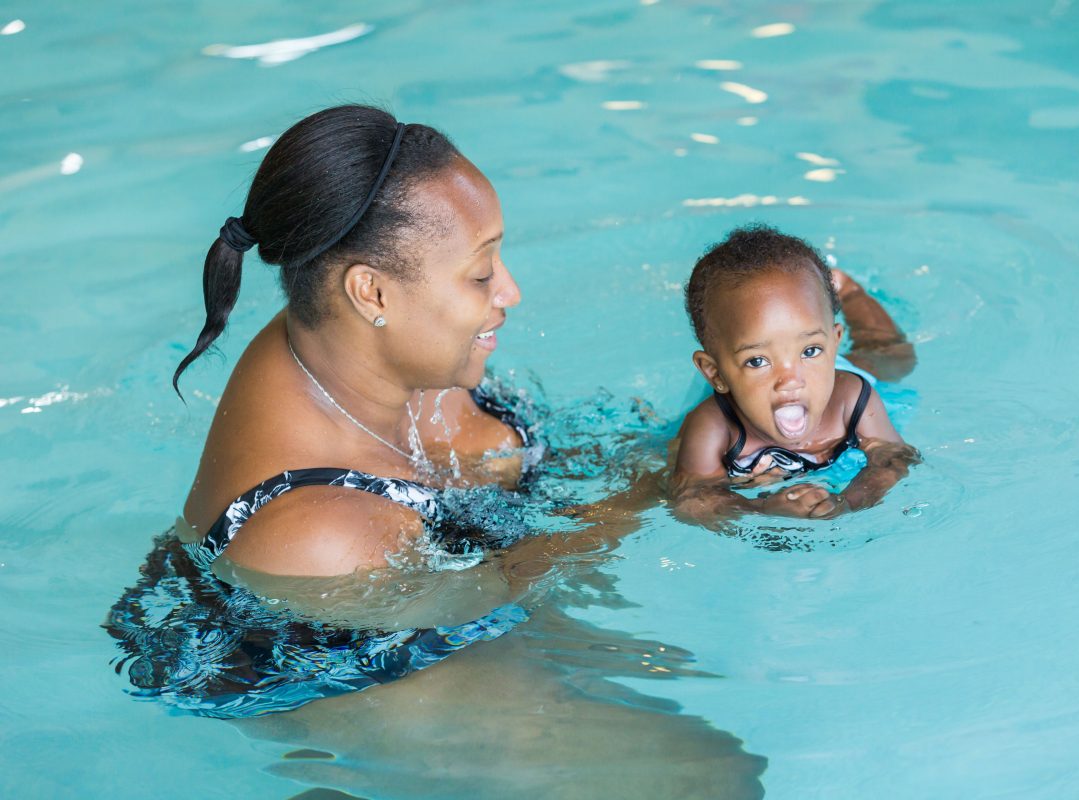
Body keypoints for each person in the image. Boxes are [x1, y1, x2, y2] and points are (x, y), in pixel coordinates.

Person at [106, 105, 766, 797]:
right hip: (331, 669)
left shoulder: (368, 342)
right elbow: (484, 596)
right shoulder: (317, 531)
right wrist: (659, 487)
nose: (510, 292)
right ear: (373, 292)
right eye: (481, 275)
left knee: (716, 719)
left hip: (441, 597)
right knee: (713, 778)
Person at [670, 225, 919, 525]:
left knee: (896, 358)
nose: (790, 380)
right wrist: (763, 510)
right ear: (715, 373)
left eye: (811, 350)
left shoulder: (851, 399)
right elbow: (693, 500)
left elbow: (894, 459)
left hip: (841, 373)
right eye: (758, 360)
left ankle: (847, 290)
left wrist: (847, 503)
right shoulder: (714, 427)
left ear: (833, 342)